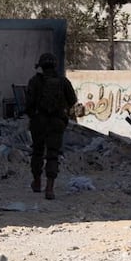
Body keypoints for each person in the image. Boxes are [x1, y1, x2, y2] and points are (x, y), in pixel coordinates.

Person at [24, 52, 78, 200]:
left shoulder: (34, 81)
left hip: (39, 122)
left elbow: (28, 104)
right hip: (57, 122)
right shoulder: (63, 81)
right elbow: (72, 100)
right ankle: (49, 188)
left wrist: (33, 116)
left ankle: (37, 182)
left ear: (41, 66)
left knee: (37, 152)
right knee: (53, 154)